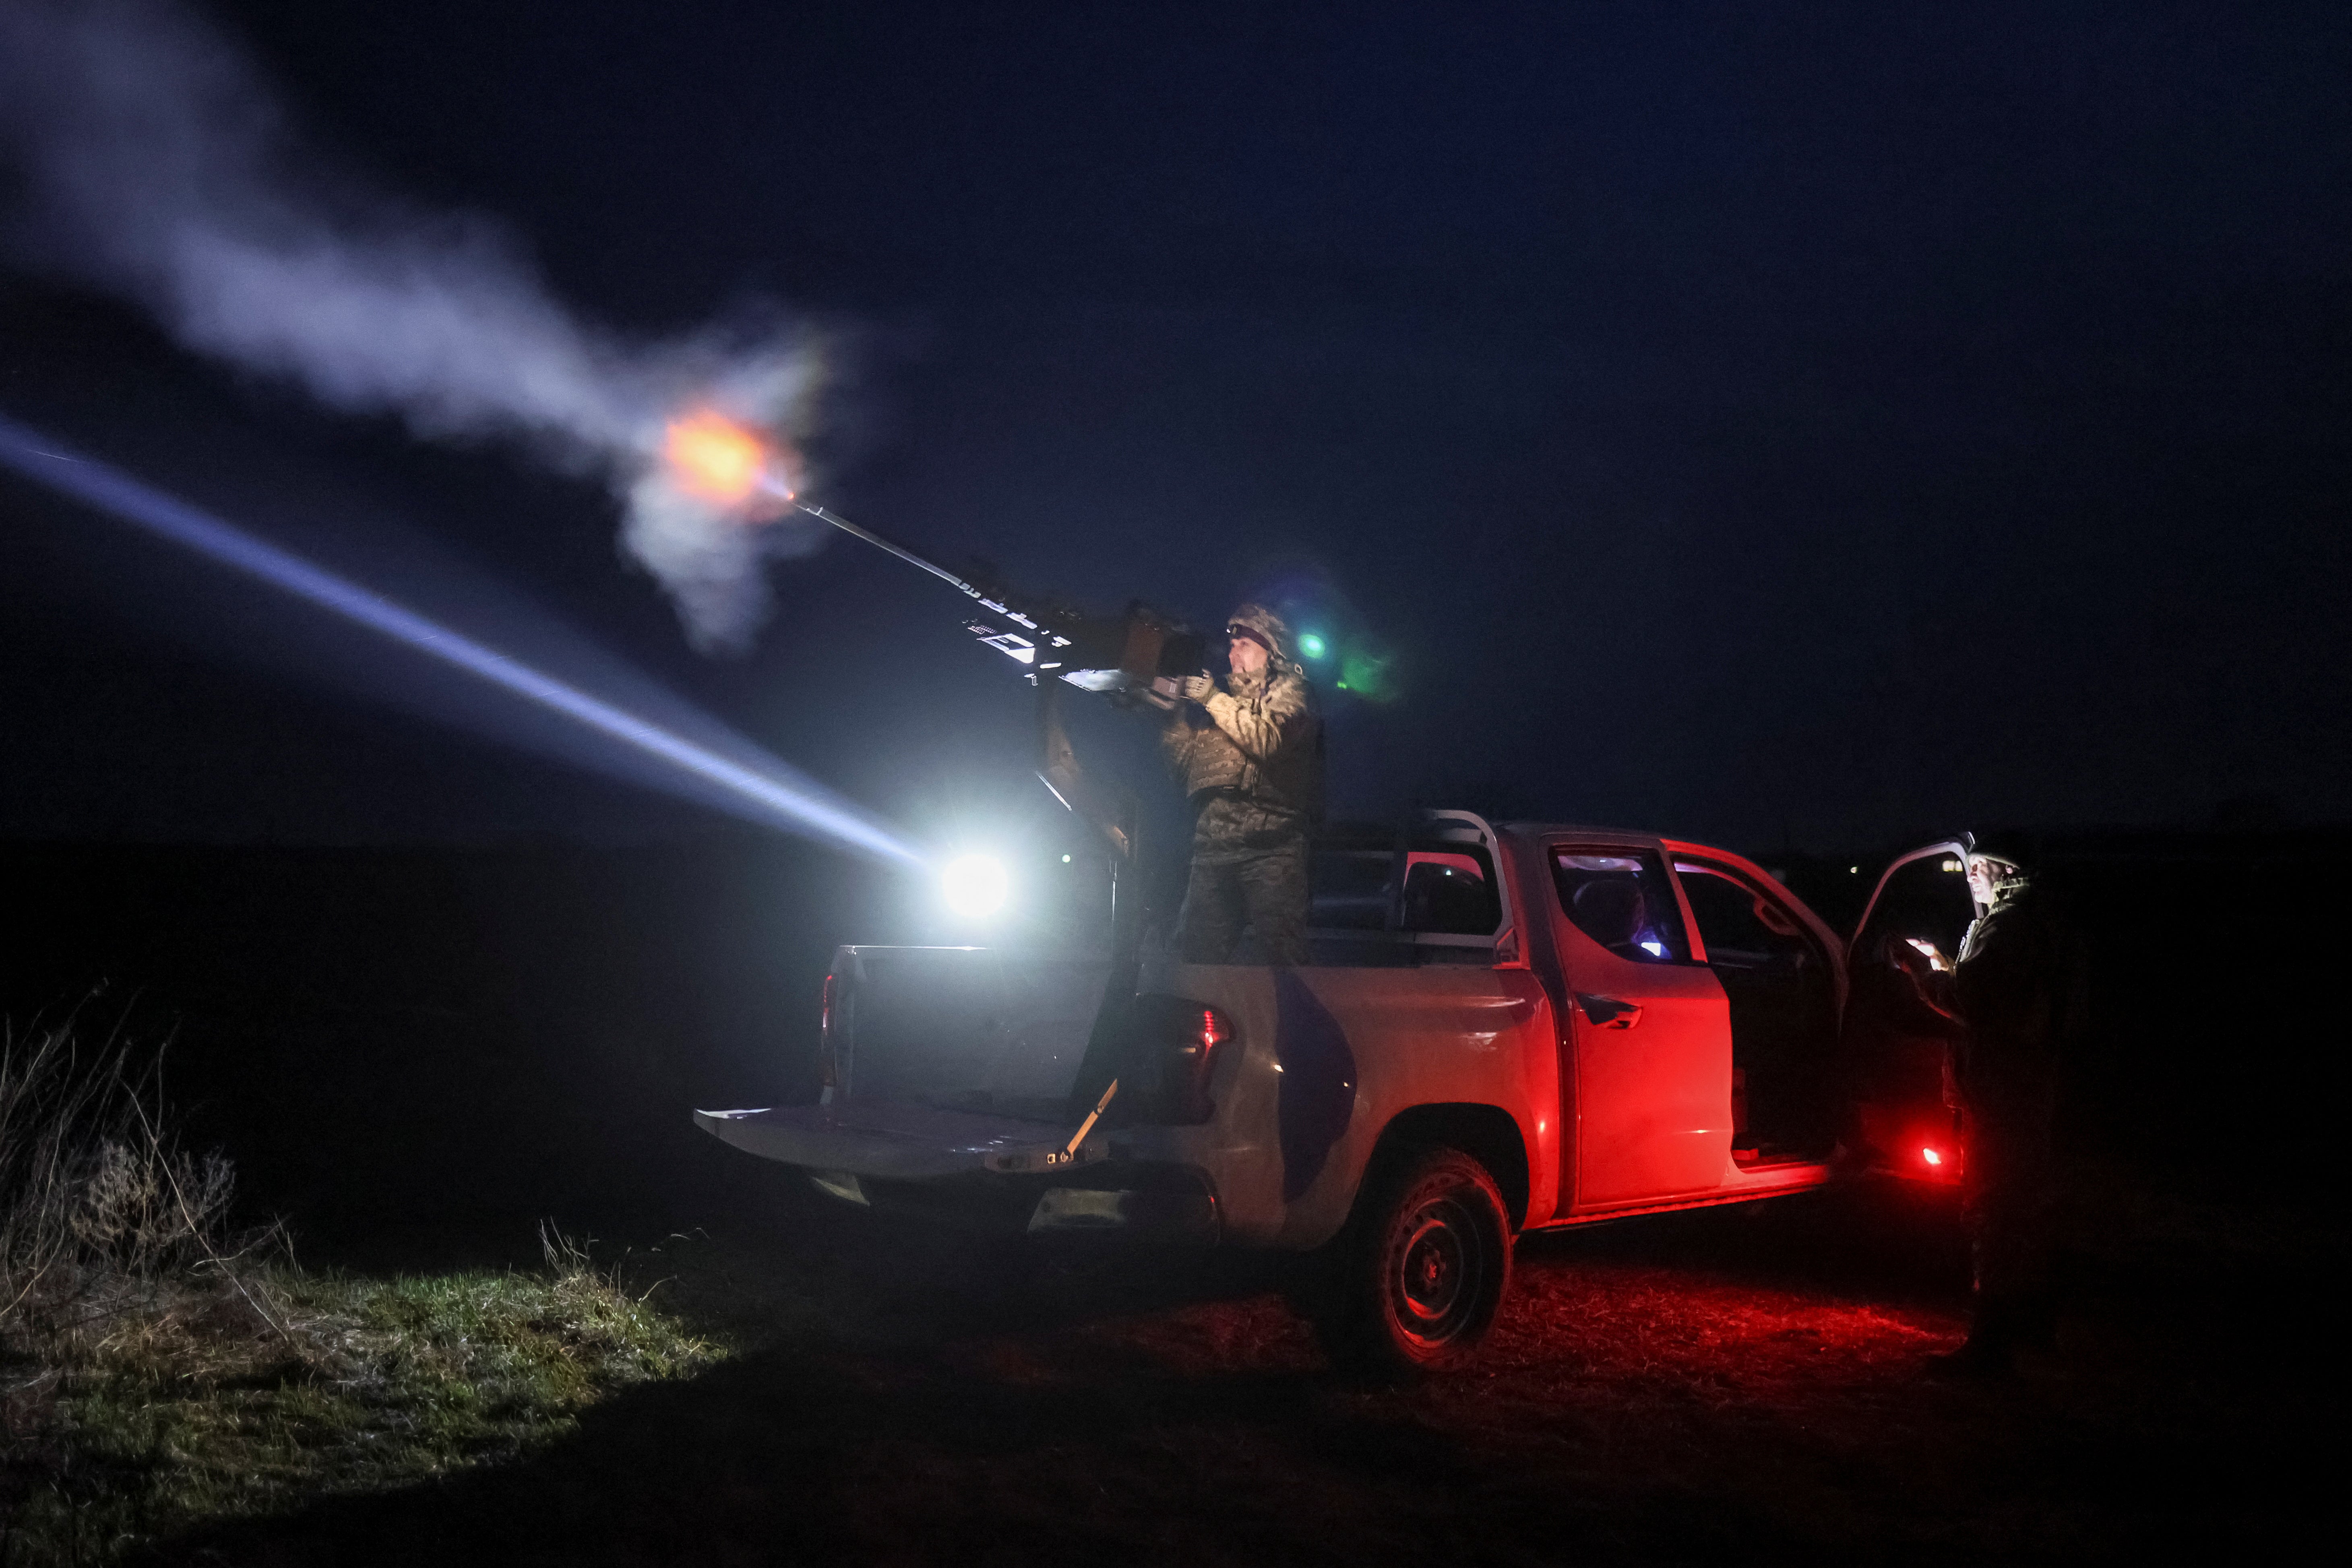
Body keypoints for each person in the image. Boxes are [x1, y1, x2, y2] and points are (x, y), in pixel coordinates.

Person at [1908, 845, 2089, 1376]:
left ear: (2002, 870)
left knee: (1993, 1207)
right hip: (2036, 1081)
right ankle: (2036, 1323)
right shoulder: (2049, 921)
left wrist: (1921, 973)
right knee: (2028, 1204)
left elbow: (1975, 1002)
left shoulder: (2006, 927)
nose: (1968, 879)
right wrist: (1948, 963)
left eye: (1975, 868)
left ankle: (1989, 1347)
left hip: (2001, 1085)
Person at [1159, 604, 1322, 965]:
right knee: (1192, 960)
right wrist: (1173, 716)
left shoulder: (1294, 694)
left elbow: (1268, 740)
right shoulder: (1223, 708)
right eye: (1232, 646)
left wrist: (1212, 699)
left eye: (1245, 645)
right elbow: (1184, 770)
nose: (1233, 653)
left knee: (1283, 962)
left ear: (1273, 652)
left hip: (1271, 848)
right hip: (1213, 849)